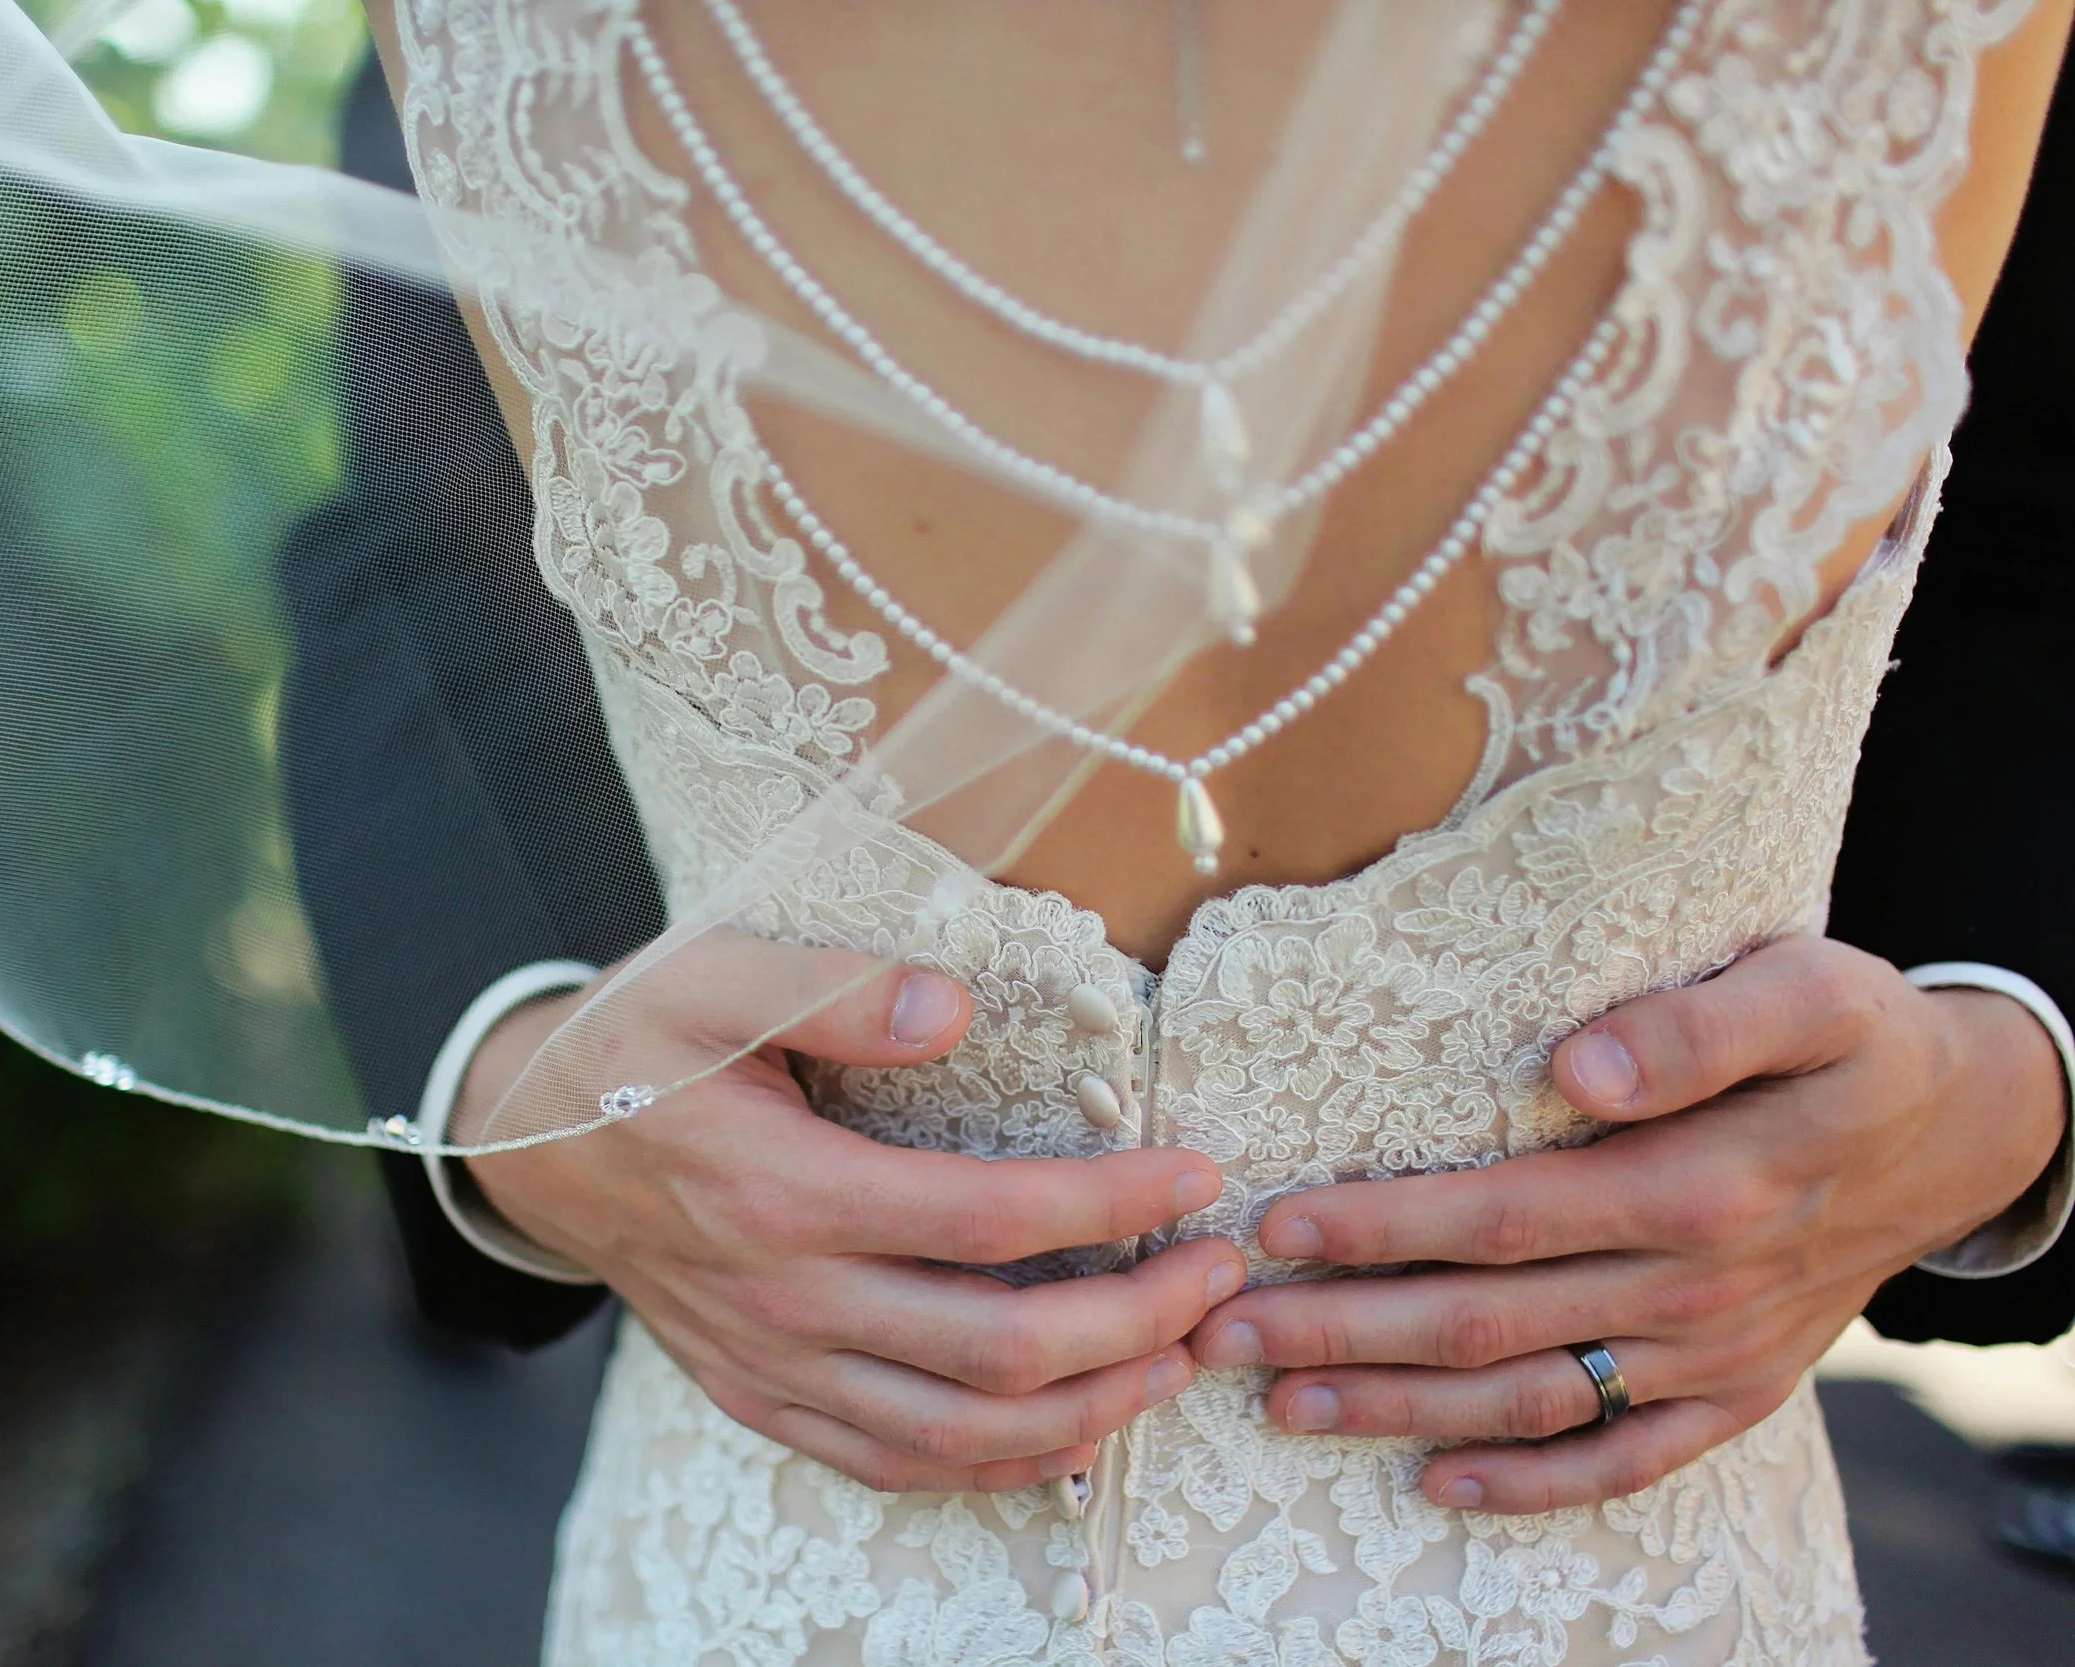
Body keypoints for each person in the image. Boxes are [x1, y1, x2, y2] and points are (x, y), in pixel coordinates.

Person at [300, 2, 2075, 1659]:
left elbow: (2026, 510)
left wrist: (2018, 1066)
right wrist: (512, 1090)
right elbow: (420, 535)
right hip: (788, 1495)